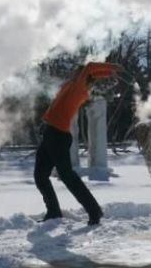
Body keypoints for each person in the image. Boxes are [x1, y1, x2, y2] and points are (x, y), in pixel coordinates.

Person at [34, 61, 120, 225]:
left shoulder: (79, 89)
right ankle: (53, 211)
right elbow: (91, 73)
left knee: (67, 176)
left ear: (83, 77)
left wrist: (111, 67)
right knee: (40, 176)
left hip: (58, 136)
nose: (73, 72)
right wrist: (106, 74)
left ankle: (94, 210)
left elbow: (89, 68)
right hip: (50, 133)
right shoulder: (71, 84)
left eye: (77, 72)